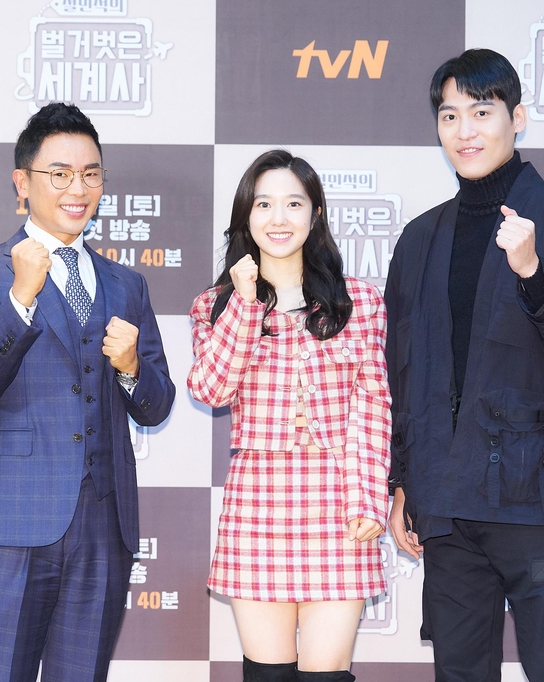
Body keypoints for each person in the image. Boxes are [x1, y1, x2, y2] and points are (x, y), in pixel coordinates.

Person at [385, 49, 544, 681]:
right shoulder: (420, 238)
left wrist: (534, 274)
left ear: (516, 118)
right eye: (450, 115)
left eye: (482, 112)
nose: (465, 131)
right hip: (448, 503)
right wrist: (403, 482)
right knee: (459, 671)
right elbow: (403, 374)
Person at [0, 102, 176, 682]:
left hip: (103, 523)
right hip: (12, 519)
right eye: (60, 174)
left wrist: (130, 368)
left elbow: (157, 404)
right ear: (22, 182)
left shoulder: (127, 283)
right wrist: (21, 298)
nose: (78, 189)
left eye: (91, 174)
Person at [188, 150, 390, 682]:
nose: (278, 218)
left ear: (315, 214)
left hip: (339, 502)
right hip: (258, 499)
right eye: (264, 204)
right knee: (269, 675)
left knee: (327, 674)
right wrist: (245, 302)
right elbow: (211, 389)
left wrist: (367, 497)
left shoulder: (359, 302)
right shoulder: (215, 305)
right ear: (246, 216)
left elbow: (371, 406)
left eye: (294, 204)